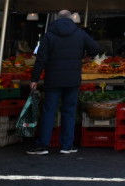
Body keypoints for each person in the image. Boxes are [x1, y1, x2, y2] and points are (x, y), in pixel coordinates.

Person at [27, 10, 101, 155]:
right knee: (69, 112)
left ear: (57, 19)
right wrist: (86, 56)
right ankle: (66, 146)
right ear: (71, 19)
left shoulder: (49, 35)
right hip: (72, 79)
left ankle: (42, 145)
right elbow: (95, 49)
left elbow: (40, 59)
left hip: (53, 79)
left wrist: (34, 79)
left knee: (49, 112)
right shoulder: (80, 34)